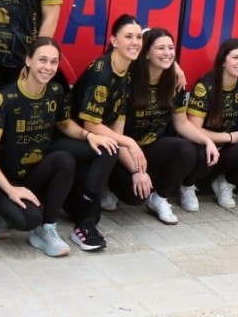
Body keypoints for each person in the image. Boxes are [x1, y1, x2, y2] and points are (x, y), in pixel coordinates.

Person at [0, 38, 113, 257]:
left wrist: (89, 135)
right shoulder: (4, 98)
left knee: (64, 160)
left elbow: (65, 124)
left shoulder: (56, 92)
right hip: (5, 179)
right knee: (27, 219)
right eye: (42, 60)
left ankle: (46, 229)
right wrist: (9, 190)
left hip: (34, 174)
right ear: (28, 60)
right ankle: (0, 211)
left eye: (53, 62)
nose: (48, 67)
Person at [78, 28, 197, 225]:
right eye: (160, 48)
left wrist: (209, 141)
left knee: (187, 149)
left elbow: (182, 123)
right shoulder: (129, 81)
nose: (167, 52)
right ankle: (109, 185)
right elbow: (118, 134)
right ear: (146, 52)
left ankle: (158, 199)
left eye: (171, 48)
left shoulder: (174, 82)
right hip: (123, 148)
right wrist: (137, 172)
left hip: (148, 147)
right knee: (134, 197)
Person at [61, 15, 136, 250]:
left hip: (91, 140)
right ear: (114, 40)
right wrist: (129, 143)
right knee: (108, 149)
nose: (135, 42)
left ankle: (82, 208)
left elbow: (117, 123)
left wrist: (137, 168)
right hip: (67, 137)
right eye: (128, 37)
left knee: (136, 191)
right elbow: (90, 125)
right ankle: (83, 227)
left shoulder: (127, 72)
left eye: (138, 37)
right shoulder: (101, 72)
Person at [177, 39, 238, 209]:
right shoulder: (205, 86)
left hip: (227, 144)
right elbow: (193, 128)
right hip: (200, 143)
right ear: (223, 61)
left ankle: (224, 183)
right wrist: (227, 137)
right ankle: (187, 185)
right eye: (236, 57)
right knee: (205, 156)